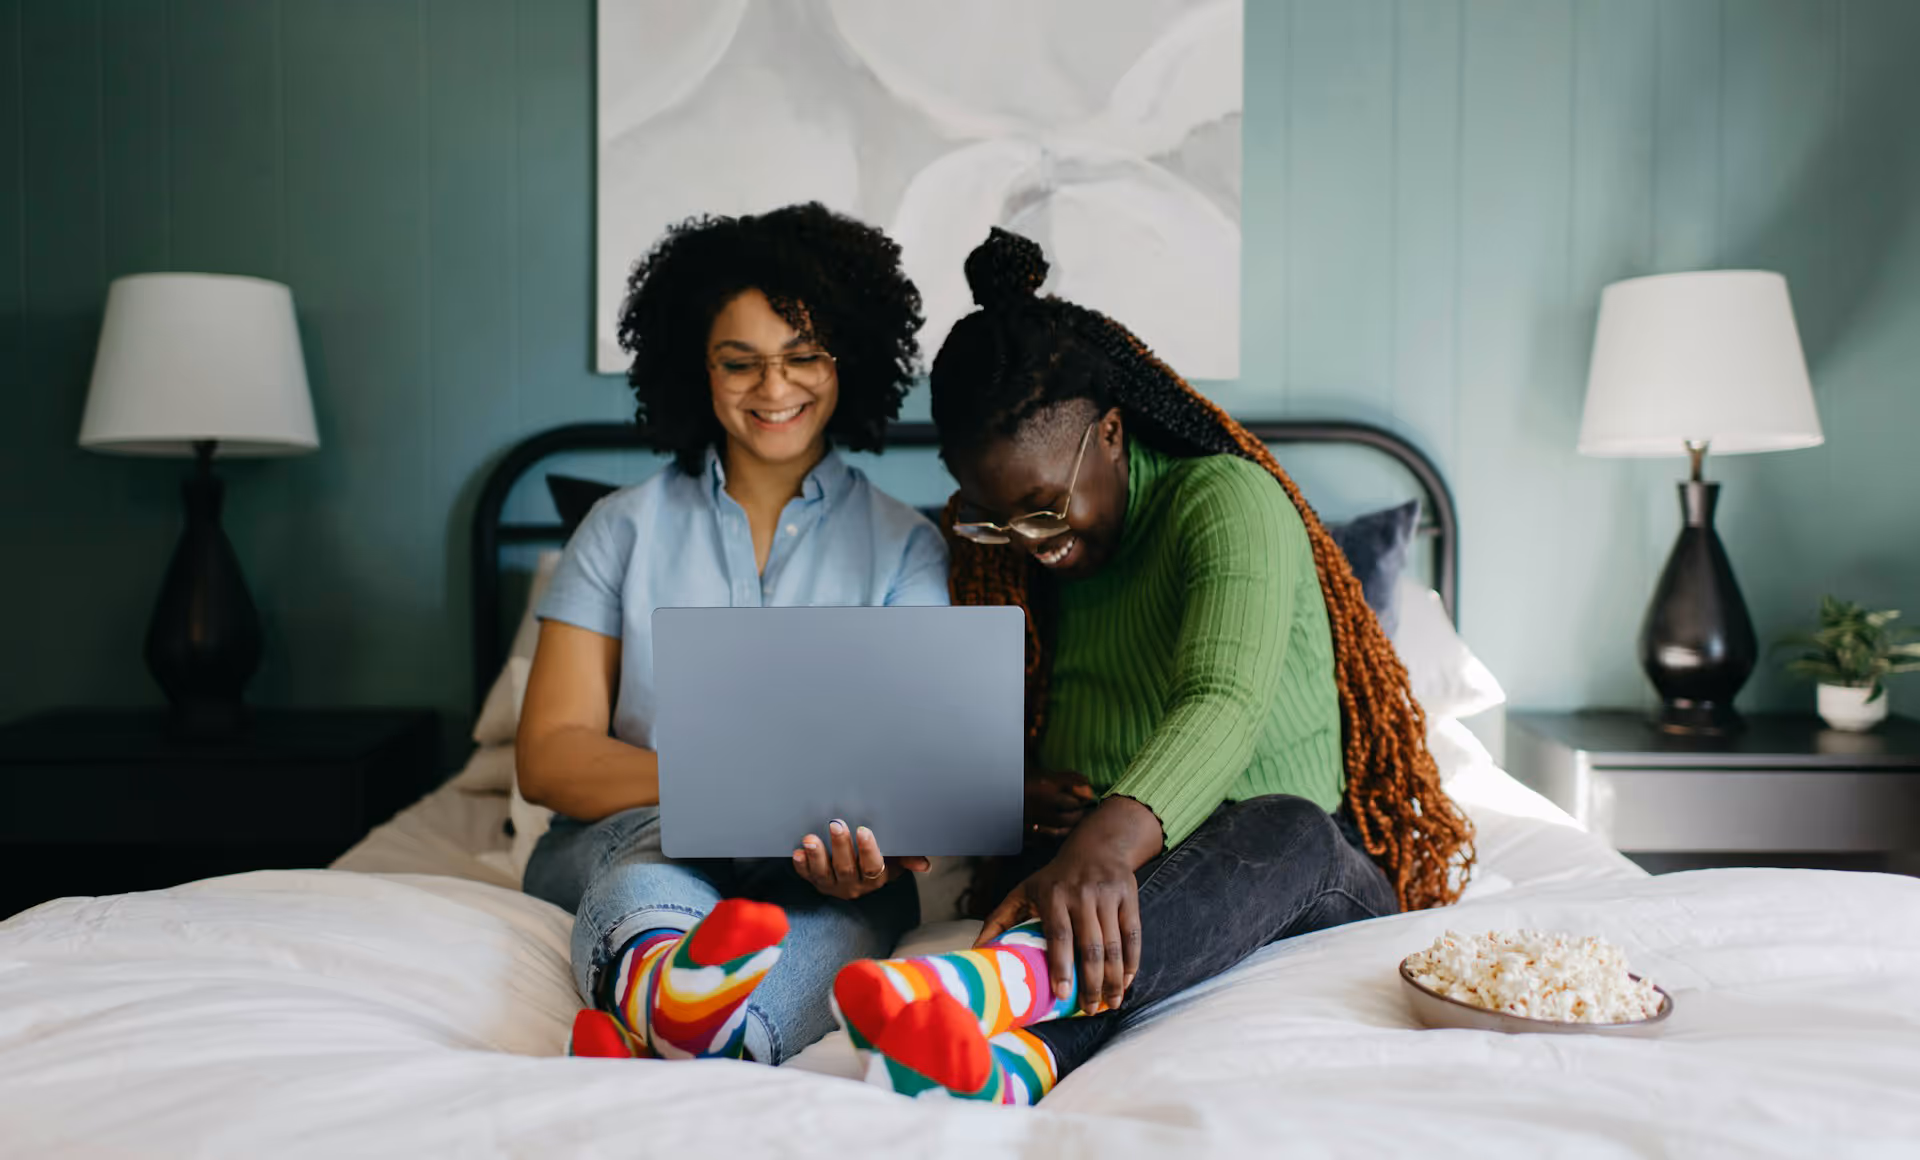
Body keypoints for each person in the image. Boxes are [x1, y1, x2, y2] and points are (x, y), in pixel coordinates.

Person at [830, 228, 1475, 1104]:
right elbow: (967, 734)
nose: (1034, 546)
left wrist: (1103, 843)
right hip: (1122, 875)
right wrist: (1013, 797)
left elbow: (1222, 701)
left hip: (1298, 873)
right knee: (1069, 880)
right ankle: (1015, 1066)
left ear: (1111, 433)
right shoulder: (1011, 562)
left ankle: (992, 989)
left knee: (1282, 823)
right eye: (994, 519)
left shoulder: (1226, 501)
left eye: (1045, 510)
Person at [517, 203, 947, 1066]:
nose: (775, 388)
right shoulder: (619, 529)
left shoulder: (906, 545)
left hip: (819, 859)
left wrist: (873, 850)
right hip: (641, 826)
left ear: (847, 362)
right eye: (739, 362)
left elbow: (916, 771)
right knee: (651, 852)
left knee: (857, 911)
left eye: (803, 357)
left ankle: (698, 1030)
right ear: (696, 368)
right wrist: (722, 792)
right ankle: (676, 1000)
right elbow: (549, 757)